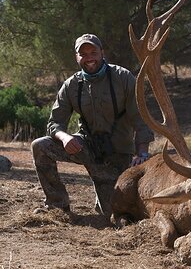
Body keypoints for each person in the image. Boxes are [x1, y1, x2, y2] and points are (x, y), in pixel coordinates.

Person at [31, 33, 154, 222]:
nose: (89, 57)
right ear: (77, 57)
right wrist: (65, 138)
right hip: (86, 148)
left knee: (113, 215)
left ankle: (104, 196)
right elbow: (54, 124)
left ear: (102, 53)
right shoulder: (71, 85)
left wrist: (142, 153)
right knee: (40, 146)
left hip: (118, 154)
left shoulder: (123, 77)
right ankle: (56, 205)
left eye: (93, 52)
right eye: (83, 53)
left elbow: (141, 119)